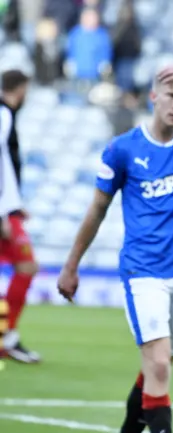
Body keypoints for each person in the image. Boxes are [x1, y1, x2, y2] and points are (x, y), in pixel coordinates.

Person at [57, 64, 173, 433]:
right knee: (161, 367)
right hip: (143, 274)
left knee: (160, 362)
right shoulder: (122, 150)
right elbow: (96, 211)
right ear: (153, 97)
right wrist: (71, 266)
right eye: (171, 95)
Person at [0, 69, 41, 364]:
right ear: (21, 88)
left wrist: (15, 202)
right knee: (26, 266)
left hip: (8, 207)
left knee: (26, 267)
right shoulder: (3, 114)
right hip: (2, 211)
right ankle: (7, 336)